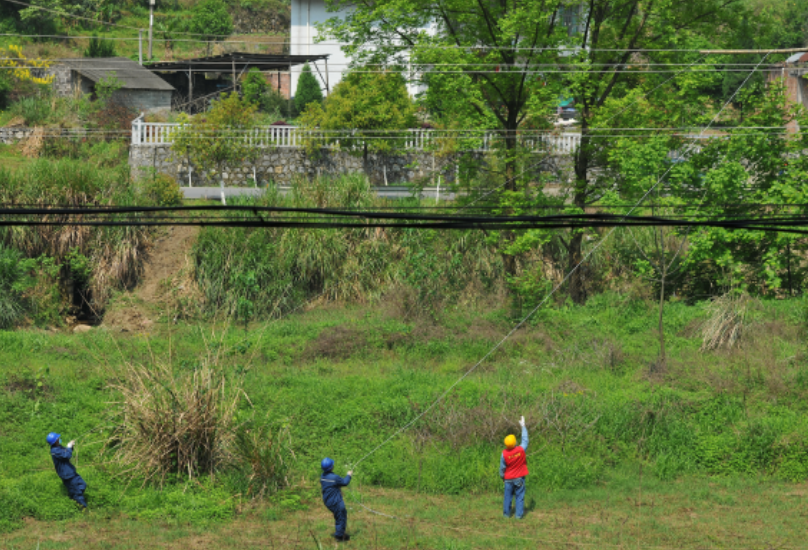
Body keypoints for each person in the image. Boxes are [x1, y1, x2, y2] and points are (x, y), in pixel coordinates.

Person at [47, 432, 87, 509]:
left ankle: (73, 497)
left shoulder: (58, 447)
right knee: (77, 491)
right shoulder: (55, 451)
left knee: (82, 485)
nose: (59, 439)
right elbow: (67, 455)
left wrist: (70, 446)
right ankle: (83, 508)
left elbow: (67, 451)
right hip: (67, 474)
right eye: (57, 438)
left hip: (71, 472)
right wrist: (69, 447)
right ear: (55, 441)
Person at [500, 416, 528, 519]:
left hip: (508, 479)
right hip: (519, 478)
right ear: (515, 442)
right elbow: (525, 440)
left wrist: (502, 477)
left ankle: (506, 515)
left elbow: (502, 468)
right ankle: (518, 516)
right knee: (519, 496)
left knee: (507, 497)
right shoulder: (521, 450)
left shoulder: (504, 454)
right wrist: (523, 426)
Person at [320, 457, 353, 542]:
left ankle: (340, 532)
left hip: (328, 502)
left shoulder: (322, 476)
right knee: (341, 517)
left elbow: (332, 485)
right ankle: (339, 536)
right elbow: (345, 482)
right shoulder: (334, 477)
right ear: (331, 467)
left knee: (338, 516)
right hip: (336, 502)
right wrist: (349, 475)